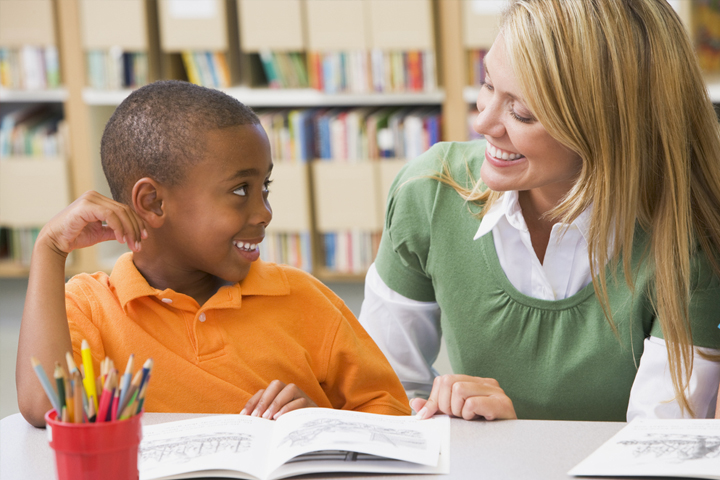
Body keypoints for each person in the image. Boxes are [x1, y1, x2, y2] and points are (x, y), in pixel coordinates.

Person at [359, 0, 720, 422]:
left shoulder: (691, 243)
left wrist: (520, 440)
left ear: (609, 129)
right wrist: (432, 417)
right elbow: (378, 394)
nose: (484, 124)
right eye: (488, 85)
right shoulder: (428, 193)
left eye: (522, 113)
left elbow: (655, 451)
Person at [16, 80, 410, 428]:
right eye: (240, 190)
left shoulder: (304, 299)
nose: (264, 212)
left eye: (265, 188)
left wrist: (317, 424)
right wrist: (49, 249)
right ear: (152, 202)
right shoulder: (91, 308)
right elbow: (45, 407)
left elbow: (392, 414)